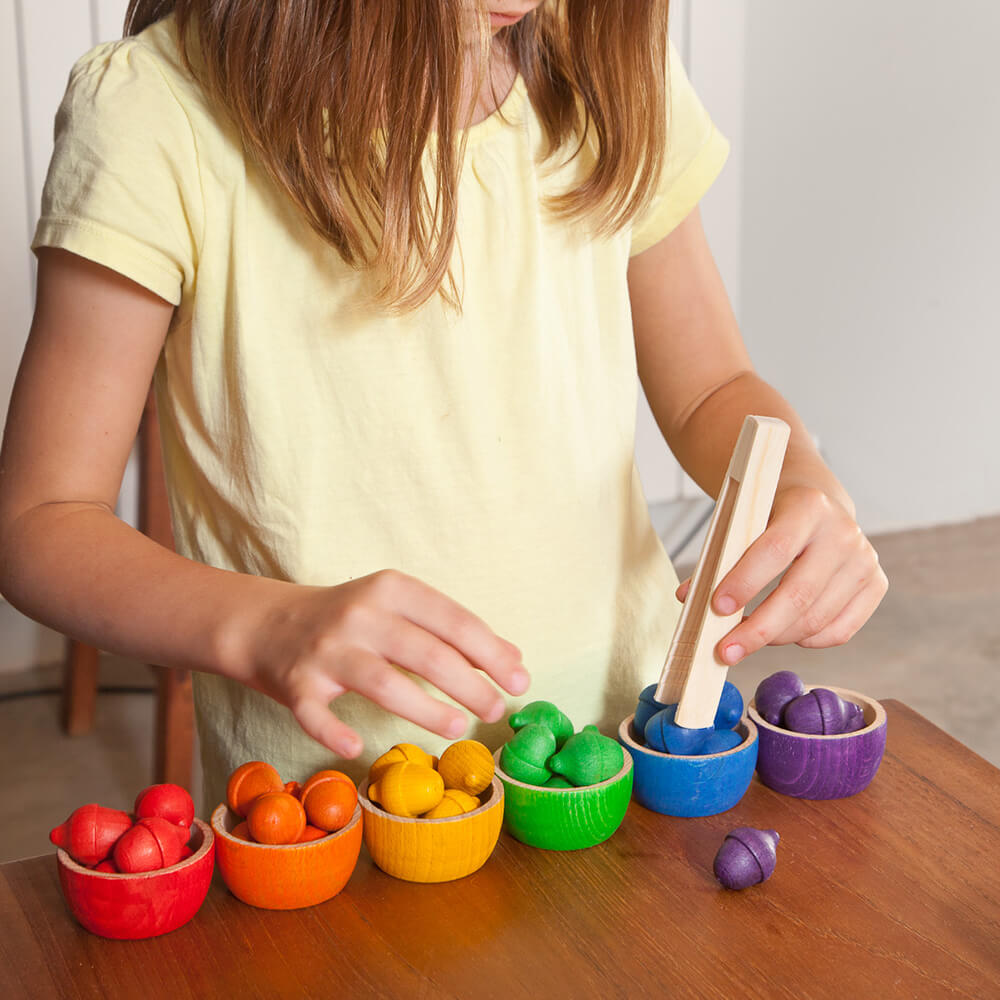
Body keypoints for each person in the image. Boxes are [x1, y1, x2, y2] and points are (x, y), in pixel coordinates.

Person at [0, 1, 886, 809]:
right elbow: (41, 519)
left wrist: (809, 489)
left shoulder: (609, 60)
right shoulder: (159, 112)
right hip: (346, 801)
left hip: (631, 746)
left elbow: (711, 388)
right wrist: (264, 625)